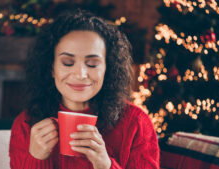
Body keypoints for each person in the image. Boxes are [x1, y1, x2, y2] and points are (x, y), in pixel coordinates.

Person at [9, 9, 159, 169]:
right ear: (51, 68)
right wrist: (36, 159)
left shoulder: (136, 123)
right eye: (67, 62)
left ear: (107, 69)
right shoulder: (25, 125)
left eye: (92, 64)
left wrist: (106, 165)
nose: (80, 74)